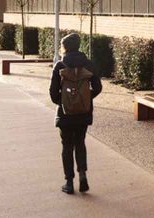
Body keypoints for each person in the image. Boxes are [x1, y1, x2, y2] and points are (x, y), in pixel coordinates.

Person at [48, 32, 102, 194]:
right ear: (78, 46)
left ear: (65, 47)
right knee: (80, 142)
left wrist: (65, 102)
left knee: (66, 146)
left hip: (65, 114)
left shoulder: (60, 65)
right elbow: (98, 87)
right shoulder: (89, 64)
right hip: (83, 113)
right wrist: (85, 99)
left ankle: (69, 182)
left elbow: (52, 93)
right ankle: (83, 175)